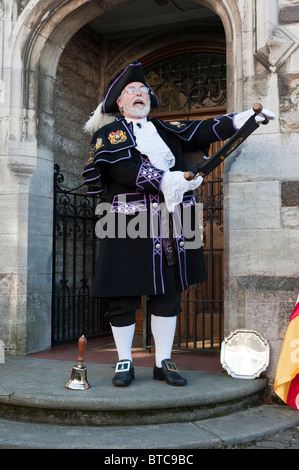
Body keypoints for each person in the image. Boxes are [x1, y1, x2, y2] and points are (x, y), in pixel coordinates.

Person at [82, 61, 275, 387]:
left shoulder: (166, 129)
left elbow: (203, 130)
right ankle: (125, 361)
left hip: (172, 221)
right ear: (120, 102)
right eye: (132, 91)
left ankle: (163, 361)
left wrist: (243, 119)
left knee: (167, 294)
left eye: (143, 91)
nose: (139, 95)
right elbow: (123, 171)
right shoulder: (110, 133)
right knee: (124, 296)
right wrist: (168, 180)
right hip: (129, 222)